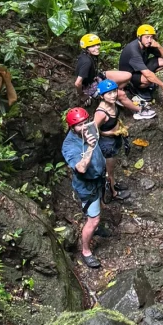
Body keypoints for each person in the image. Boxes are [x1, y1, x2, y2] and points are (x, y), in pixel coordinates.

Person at [62, 107, 106, 269]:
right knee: (93, 220)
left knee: (100, 206)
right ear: (72, 127)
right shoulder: (69, 146)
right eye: (79, 125)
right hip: (87, 186)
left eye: (85, 122)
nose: (84, 127)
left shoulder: (89, 129)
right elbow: (80, 168)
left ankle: (97, 228)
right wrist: (90, 146)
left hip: (98, 178)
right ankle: (86, 251)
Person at [92, 79, 134, 201]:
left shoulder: (113, 104)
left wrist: (120, 128)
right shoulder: (101, 113)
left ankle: (113, 184)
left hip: (115, 139)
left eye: (114, 91)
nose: (113, 95)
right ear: (102, 96)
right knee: (108, 171)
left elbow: (115, 119)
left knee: (112, 168)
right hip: (106, 143)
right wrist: (111, 132)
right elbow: (94, 130)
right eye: (109, 93)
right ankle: (113, 193)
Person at [118, 24, 163, 101]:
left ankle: (150, 80)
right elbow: (147, 74)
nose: (149, 40)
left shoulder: (148, 44)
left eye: (151, 37)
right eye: (147, 37)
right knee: (148, 79)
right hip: (130, 75)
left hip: (140, 68)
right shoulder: (133, 50)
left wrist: (159, 46)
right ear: (139, 37)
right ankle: (135, 87)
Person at [74, 34, 134, 101]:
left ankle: (114, 92)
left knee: (128, 75)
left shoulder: (90, 55)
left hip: (96, 78)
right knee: (122, 94)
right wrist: (82, 95)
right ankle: (116, 96)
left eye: (97, 45)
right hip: (89, 87)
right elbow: (77, 83)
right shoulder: (86, 62)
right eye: (93, 46)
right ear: (86, 48)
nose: (97, 47)